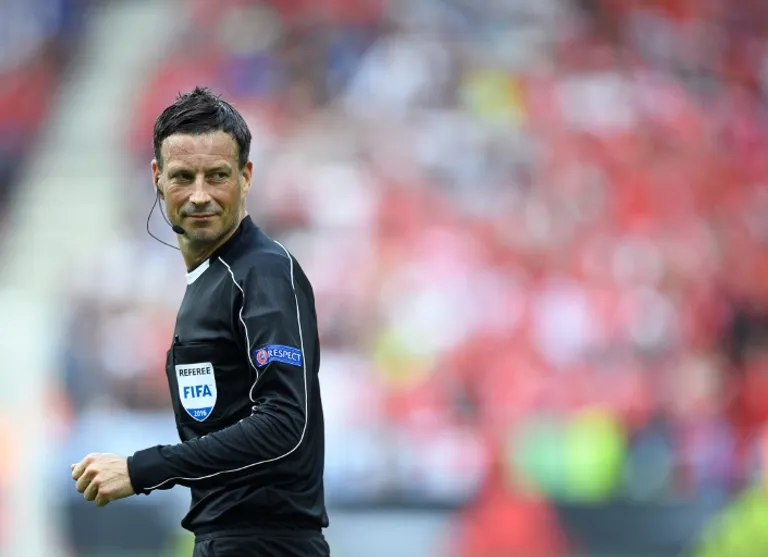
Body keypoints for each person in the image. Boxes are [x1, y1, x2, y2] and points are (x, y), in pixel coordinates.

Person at [70, 86, 330, 557]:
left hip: (268, 544)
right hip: (226, 540)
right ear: (157, 178)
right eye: (183, 177)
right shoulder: (209, 279)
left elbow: (284, 423)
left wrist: (141, 470)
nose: (199, 195)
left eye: (217, 176)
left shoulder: (264, 272)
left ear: (246, 176)